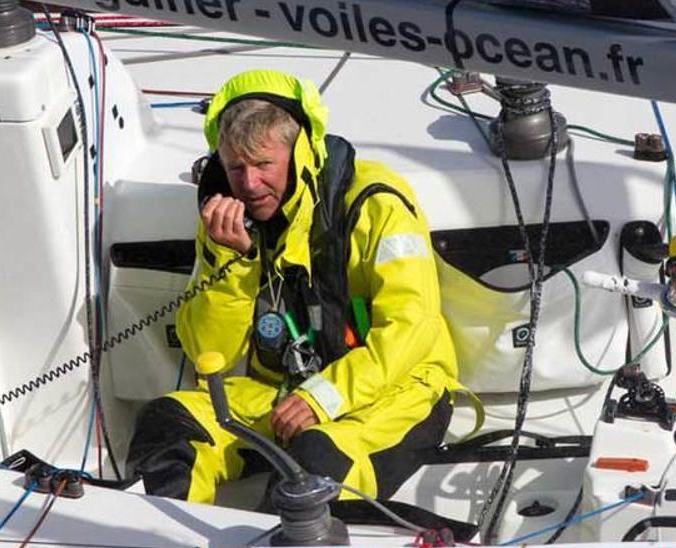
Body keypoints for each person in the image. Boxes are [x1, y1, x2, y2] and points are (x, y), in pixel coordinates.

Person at [127, 69, 462, 505]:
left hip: (392, 391)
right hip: (283, 392)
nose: (249, 185)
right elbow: (210, 353)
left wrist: (324, 397)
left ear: (300, 151)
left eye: (264, 164)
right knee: (167, 422)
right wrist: (234, 261)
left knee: (314, 465)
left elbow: (410, 328)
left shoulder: (375, 203)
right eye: (235, 168)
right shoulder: (223, 222)